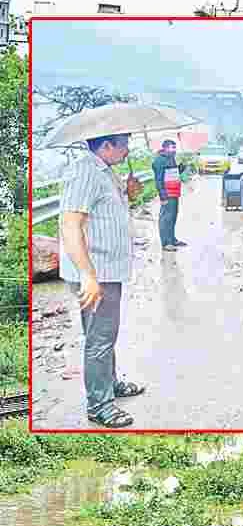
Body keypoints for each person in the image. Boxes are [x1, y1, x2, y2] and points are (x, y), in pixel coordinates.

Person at [59, 132, 147, 428]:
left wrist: (129, 193)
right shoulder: (84, 171)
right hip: (97, 273)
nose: (127, 150)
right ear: (106, 145)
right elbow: (71, 225)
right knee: (99, 339)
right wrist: (88, 275)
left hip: (108, 271)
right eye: (123, 144)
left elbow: (106, 213)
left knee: (105, 336)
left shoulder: (105, 171)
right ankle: (100, 406)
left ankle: (109, 385)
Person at [151, 139, 186, 251]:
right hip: (167, 193)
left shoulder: (171, 158)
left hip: (175, 192)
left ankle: (172, 239)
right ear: (165, 148)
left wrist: (180, 168)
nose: (174, 150)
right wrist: (163, 196)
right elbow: (159, 180)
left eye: (175, 148)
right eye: (172, 147)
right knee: (166, 218)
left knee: (173, 217)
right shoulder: (159, 161)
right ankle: (166, 243)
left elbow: (172, 174)